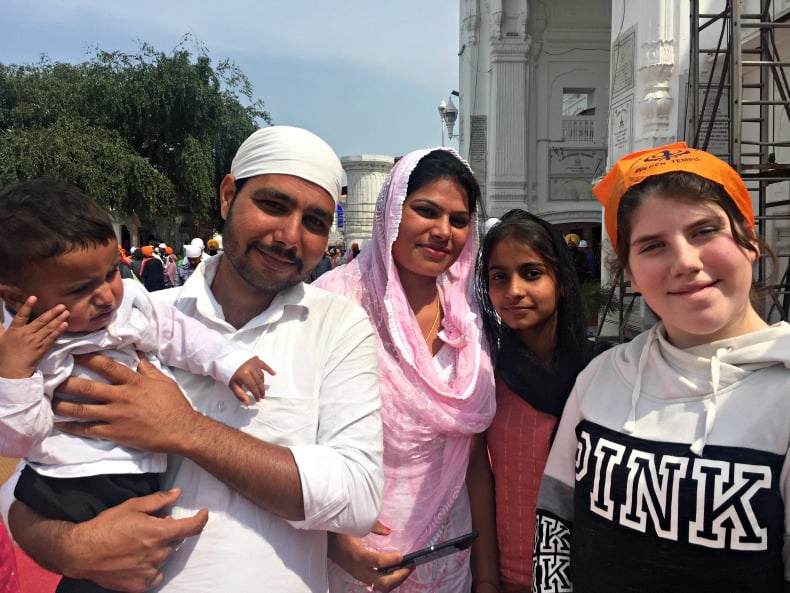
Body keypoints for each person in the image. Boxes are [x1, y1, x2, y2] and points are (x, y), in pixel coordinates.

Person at [6, 126, 383, 593]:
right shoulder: (138, 320)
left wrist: (186, 430)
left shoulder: (338, 327)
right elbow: (33, 480)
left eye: (314, 222)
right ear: (228, 196)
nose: (289, 236)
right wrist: (69, 547)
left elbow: (358, 497)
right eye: (273, 205)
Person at [532, 142, 790, 592]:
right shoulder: (603, 377)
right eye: (653, 246)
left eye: (705, 231)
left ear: (748, 239)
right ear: (629, 273)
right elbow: (557, 523)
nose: (686, 263)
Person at [0, 179, 275, 593]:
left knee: (133, 563)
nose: (106, 296)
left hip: (135, 472)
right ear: (19, 300)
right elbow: (18, 440)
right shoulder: (22, 350)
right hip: (63, 479)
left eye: (111, 271)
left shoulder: (130, 303)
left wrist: (230, 362)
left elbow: (178, 334)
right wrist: (15, 374)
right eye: (80, 289)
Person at [314, 147, 495, 592]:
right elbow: (296, 442)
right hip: (352, 554)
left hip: (448, 554)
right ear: (393, 210)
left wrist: (487, 579)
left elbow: (472, 459)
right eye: (426, 211)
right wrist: (332, 542)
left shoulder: (468, 316)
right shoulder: (333, 303)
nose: (442, 232)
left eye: (458, 220)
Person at [473, 210, 609, 592]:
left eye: (531, 274)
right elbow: (477, 480)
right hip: (508, 575)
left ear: (562, 282)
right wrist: (485, 580)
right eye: (499, 277)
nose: (514, 290)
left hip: (587, 574)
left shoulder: (603, 374)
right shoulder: (485, 375)